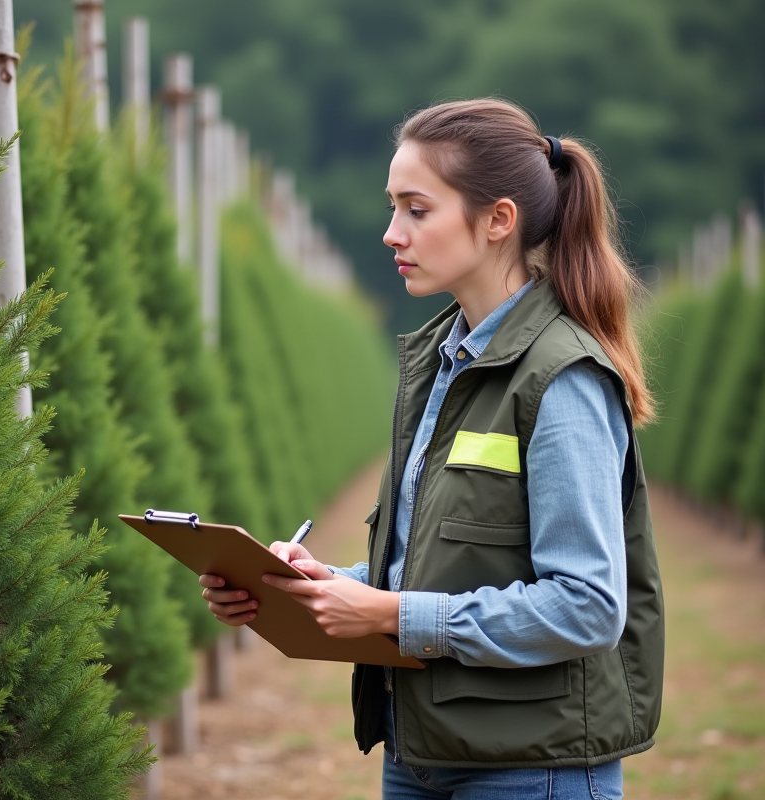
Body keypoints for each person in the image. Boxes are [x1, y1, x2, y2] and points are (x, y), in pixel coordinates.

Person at [200, 98, 664, 800]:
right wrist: (314, 584)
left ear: (498, 220)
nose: (392, 233)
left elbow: (588, 605)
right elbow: (441, 563)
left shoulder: (560, 379)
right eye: (393, 208)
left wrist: (389, 614)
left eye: (417, 210)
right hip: (420, 753)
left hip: (532, 767)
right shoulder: (442, 367)